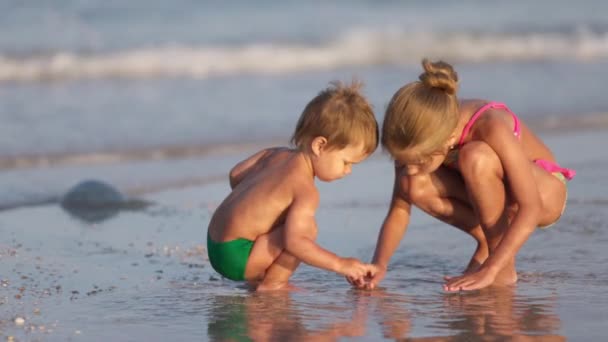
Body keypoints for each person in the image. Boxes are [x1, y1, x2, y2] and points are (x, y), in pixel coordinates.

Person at [356, 59, 575, 292]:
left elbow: (529, 207)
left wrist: (492, 268)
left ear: (448, 140)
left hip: (543, 194)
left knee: (475, 155)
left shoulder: (489, 126)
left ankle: (502, 267)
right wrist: (379, 264)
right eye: (401, 161)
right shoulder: (417, 139)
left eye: (419, 162)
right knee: (412, 184)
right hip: (493, 193)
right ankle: (488, 241)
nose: (409, 168)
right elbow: (399, 210)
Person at [207, 80, 380, 291]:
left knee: (286, 222)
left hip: (214, 241)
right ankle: (273, 284)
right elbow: (295, 244)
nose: (348, 171)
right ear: (320, 145)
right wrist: (341, 264)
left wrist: (260, 209)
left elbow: (235, 174)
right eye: (346, 162)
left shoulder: (274, 154)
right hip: (236, 259)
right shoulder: (305, 190)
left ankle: (260, 273)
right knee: (306, 229)